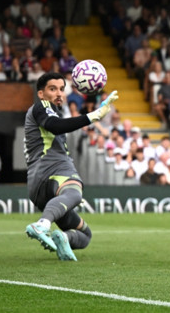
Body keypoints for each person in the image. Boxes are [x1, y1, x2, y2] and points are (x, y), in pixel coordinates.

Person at [24, 72, 118, 261]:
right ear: (41, 94)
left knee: (85, 235)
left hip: (39, 185)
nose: (59, 93)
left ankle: (63, 238)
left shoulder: (52, 112)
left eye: (61, 89)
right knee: (75, 192)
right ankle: (42, 224)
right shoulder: (41, 106)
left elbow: (59, 124)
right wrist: (93, 116)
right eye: (53, 89)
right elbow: (56, 126)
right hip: (51, 169)